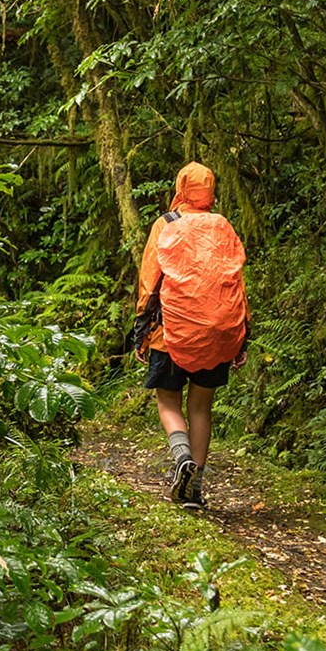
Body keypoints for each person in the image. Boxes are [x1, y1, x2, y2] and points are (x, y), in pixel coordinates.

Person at [133, 162, 248, 510]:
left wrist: (141, 327)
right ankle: (194, 487)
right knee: (201, 406)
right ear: (211, 191)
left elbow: (150, 280)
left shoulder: (166, 224)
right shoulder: (222, 226)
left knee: (168, 400)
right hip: (216, 332)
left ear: (181, 188)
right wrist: (242, 333)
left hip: (170, 331)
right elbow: (235, 282)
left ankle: (181, 456)